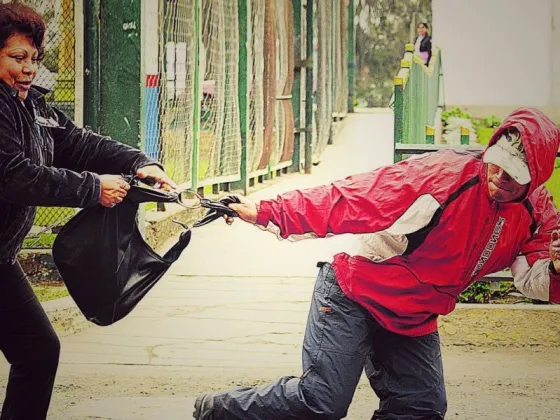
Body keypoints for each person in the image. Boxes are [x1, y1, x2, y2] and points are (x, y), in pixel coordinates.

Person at [194, 107, 560, 420]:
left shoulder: (537, 215)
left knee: (421, 407)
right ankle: (217, 410)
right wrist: (266, 211)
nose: (500, 178)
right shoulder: (444, 178)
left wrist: (557, 269)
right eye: (497, 164)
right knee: (323, 401)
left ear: (538, 177)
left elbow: (534, 279)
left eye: (515, 176)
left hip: (413, 315)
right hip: (354, 294)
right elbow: (350, 200)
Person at [0, 4, 176, 419]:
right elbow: (13, 176)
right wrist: (93, 188)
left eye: (34, 59)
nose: (28, 70)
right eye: (16, 58)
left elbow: (80, 144)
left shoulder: (30, 105)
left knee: (37, 351)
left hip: (0, 258)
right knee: (37, 350)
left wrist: (138, 163)